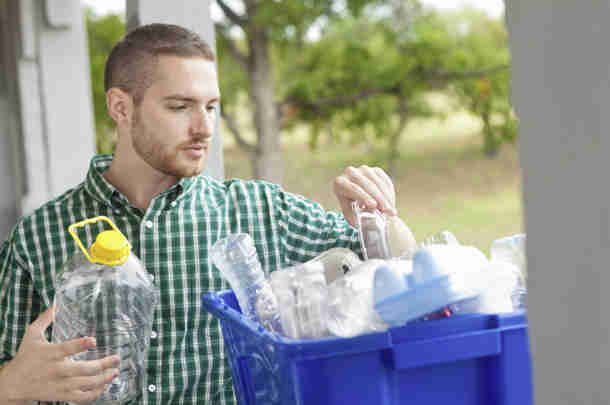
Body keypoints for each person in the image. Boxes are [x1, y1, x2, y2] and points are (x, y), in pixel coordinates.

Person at [0, 23, 403, 405]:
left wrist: (380, 214)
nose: (204, 127)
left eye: (211, 107)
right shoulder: (38, 236)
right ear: (121, 108)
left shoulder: (262, 212)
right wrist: (13, 383)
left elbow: (399, 269)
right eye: (180, 107)